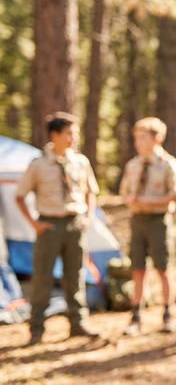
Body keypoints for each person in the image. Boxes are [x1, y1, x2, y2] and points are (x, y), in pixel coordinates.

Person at [14, 112, 101, 344]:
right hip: (49, 225)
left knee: (75, 276)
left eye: (76, 133)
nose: (74, 138)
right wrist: (34, 223)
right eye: (69, 133)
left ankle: (78, 323)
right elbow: (20, 196)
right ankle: (36, 329)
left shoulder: (80, 162)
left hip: (75, 225)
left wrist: (88, 216)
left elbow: (91, 191)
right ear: (55, 135)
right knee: (42, 277)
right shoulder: (39, 164)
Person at [119, 117, 176, 335]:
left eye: (142, 138)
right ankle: (136, 317)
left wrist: (153, 202)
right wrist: (132, 200)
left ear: (156, 138)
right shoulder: (133, 165)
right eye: (136, 138)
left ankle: (168, 315)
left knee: (163, 269)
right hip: (137, 221)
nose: (138, 143)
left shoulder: (168, 164)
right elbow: (124, 192)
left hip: (158, 221)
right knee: (137, 269)